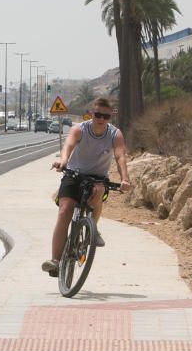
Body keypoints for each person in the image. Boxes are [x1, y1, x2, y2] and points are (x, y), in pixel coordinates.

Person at [42, 97, 131, 278]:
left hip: (97, 178)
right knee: (64, 211)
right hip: (74, 174)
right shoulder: (79, 129)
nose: (101, 119)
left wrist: (125, 179)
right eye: (97, 114)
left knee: (98, 191)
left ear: (110, 117)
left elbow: (120, 156)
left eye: (106, 116)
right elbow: (68, 145)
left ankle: (92, 228)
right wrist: (63, 161)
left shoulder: (115, 134)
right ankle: (55, 261)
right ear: (91, 114)